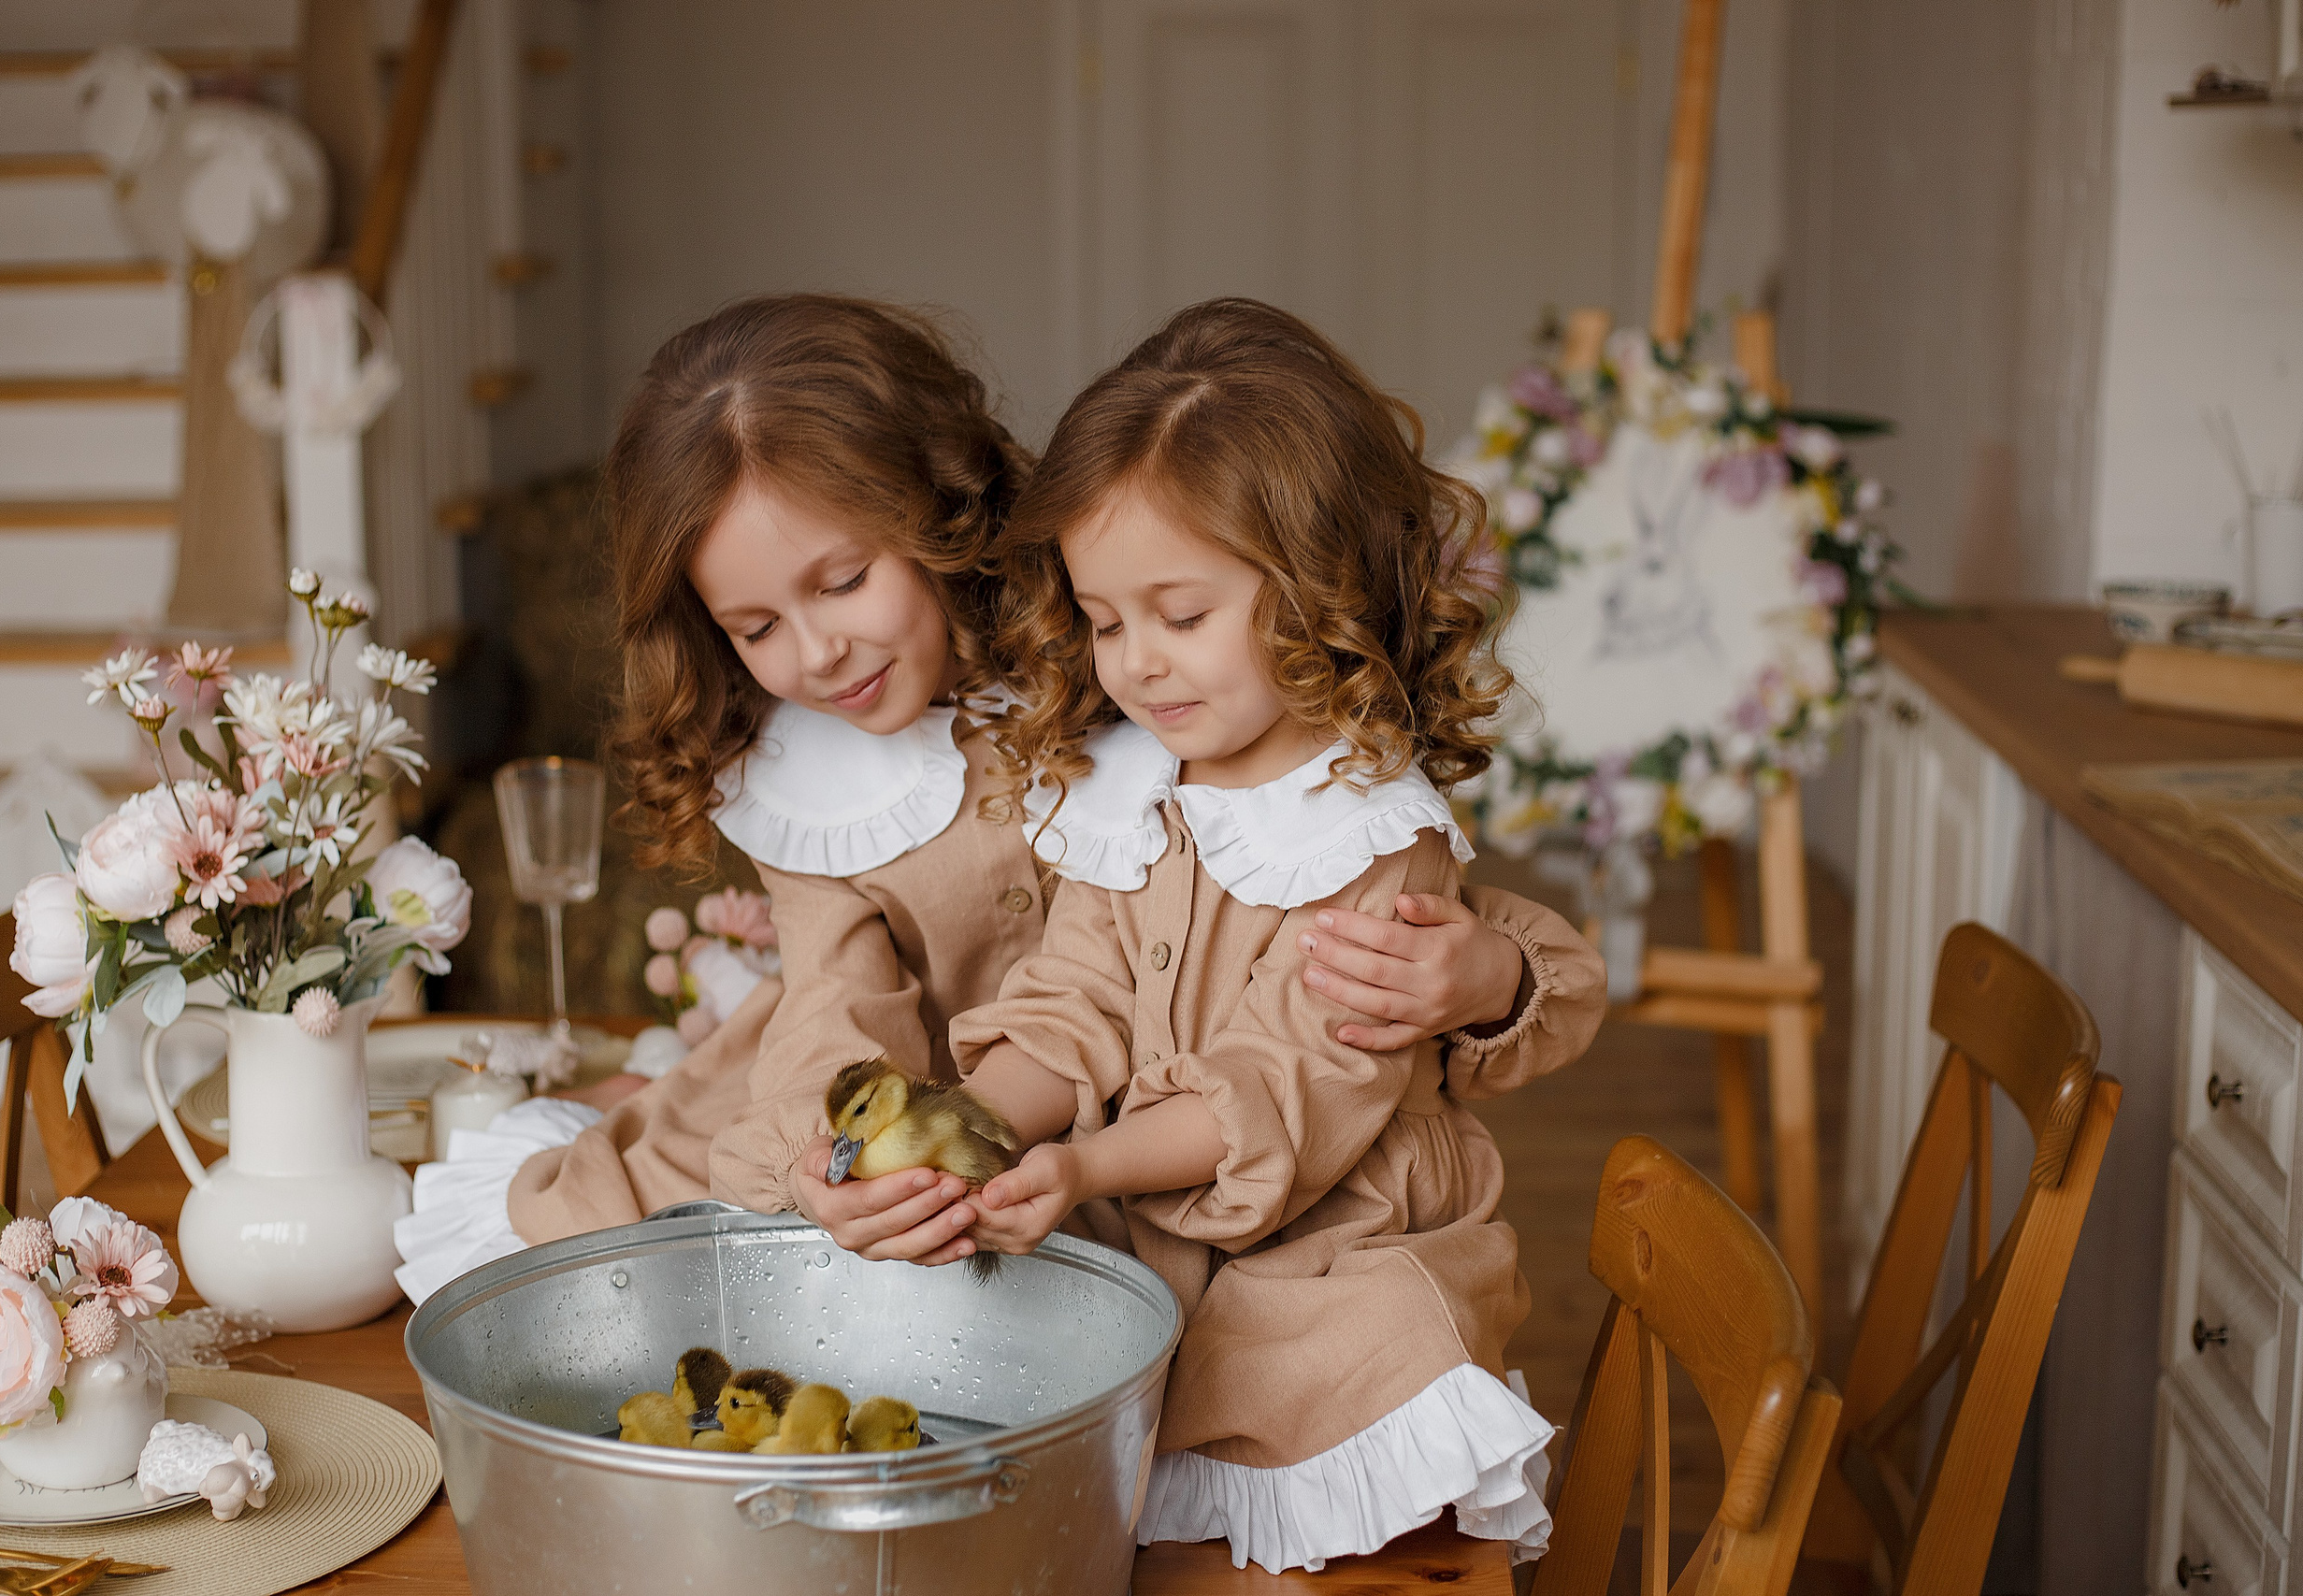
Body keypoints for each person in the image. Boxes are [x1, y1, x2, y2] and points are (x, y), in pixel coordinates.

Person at [393, 295, 1556, 1303]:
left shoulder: (1113, 646)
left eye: (843, 580)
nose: (817, 653)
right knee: (650, 1269)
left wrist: (1496, 981)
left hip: (1164, 1123)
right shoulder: (802, 770)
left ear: (933, 509)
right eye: (754, 627)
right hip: (950, 1127)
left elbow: (1340, 872)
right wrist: (825, 1155)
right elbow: (836, 1002)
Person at [939, 298, 1605, 1574]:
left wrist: (1083, 1168)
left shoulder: (1368, 831)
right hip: (1153, 1216)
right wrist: (971, 1121)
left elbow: (1280, 1086)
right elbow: (1072, 1000)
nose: (1135, 663)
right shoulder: (1134, 787)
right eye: (1105, 616)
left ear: (1315, 588)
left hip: (1331, 1246)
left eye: (1179, 613)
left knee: (1367, 1356)